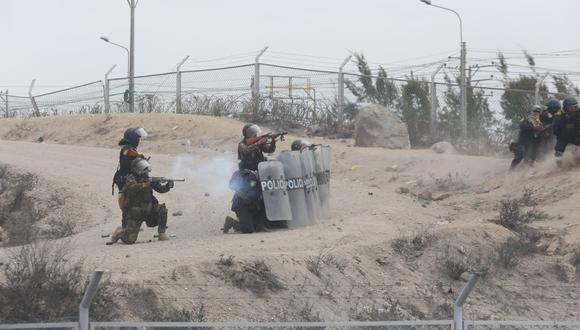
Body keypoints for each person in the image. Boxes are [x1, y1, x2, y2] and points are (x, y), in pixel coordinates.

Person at [110, 158, 174, 244]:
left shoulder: (148, 179)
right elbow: (133, 187)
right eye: (143, 168)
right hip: (135, 213)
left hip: (148, 209)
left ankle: (161, 233)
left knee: (162, 209)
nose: (146, 171)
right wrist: (144, 184)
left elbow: (160, 189)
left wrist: (167, 186)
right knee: (129, 240)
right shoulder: (130, 178)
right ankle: (119, 232)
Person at [112, 127, 148, 227]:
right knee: (127, 203)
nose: (138, 140)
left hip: (130, 179)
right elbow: (134, 156)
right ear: (132, 138)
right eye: (137, 138)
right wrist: (141, 157)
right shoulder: (126, 149)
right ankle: (125, 226)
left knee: (132, 201)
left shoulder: (130, 149)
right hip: (125, 180)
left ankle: (129, 224)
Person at [223, 169, 268, 234]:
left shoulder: (263, 179)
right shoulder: (248, 176)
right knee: (248, 229)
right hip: (242, 205)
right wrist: (243, 194)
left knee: (258, 227)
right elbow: (232, 185)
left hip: (254, 205)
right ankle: (231, 222)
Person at [510, 106, 543, 170]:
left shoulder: (539, 123)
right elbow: (522, 126)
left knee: (531, 158)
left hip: (532, 144)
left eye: (538, 113)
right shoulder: (526, 120)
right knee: (520, 154)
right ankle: (511, 169)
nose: (536, 114)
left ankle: (525, 171)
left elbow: (540, 134)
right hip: (522, 143)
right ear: (530, 113)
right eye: (535, 112)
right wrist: (533, 128)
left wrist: (541, 132)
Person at [553, 96, 580, 165]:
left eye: (575, 107)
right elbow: (556, 130)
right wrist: (570, 118)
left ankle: (576, 159)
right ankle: (559, 165)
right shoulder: (559, 115)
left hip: (575, 135)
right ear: (566, 107)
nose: (574, 109)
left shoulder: (577, 113)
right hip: (563, 137)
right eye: (571, 107)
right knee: (558, 150)